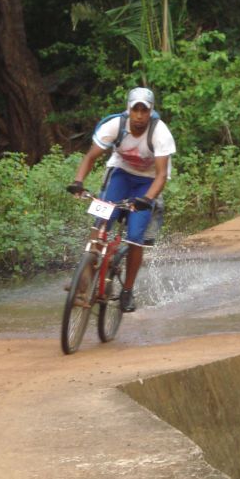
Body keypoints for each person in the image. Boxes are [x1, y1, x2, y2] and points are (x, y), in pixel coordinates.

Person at [66, 86, 176, 313]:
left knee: (135, 238)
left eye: (143, 111)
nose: (139, 116)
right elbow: (91, 156)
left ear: (150, 111)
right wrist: (78, 182)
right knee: (101, 221)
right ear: (128, 109)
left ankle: (127, 290)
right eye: (135, 110)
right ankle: (84, 280)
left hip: (148, 183)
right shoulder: (115, 126)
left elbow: (162, 175)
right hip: (120, 175)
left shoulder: (160, 133)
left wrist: (147, 199)